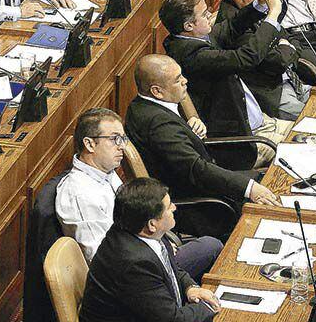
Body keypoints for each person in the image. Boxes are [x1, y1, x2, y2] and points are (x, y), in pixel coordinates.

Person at [55, 108, 222, 281]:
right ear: (90, 144)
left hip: (147, 252)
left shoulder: (106, 172)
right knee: (211, 247)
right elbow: (103, 259)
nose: (122, 146)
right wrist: (155, 251)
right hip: (133, 275)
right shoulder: (80, 194)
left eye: (123, 138)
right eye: (114, 139)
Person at [79, 177, 220, 322]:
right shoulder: (133, 263)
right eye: (169, 207)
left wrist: (190, 287)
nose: (175, 209)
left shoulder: (140, 231)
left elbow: (171, 270)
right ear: (152, 224)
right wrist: (210, 307)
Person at [160, 0, 293, 168]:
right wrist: (272, 15)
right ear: (188, 26)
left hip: (262, 122)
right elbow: (247, 57)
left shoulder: (194, 38)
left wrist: (258, 5)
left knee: (315, 132)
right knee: (307, 147)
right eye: (205, 14)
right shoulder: (192, 56)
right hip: (245, 141)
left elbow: (231, 26)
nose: (211, 15)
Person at [125, 54, 281, 207]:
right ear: (157, 91)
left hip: (207, 180)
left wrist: (190, 127)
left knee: (274, 179)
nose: (185, 81)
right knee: (276, 195)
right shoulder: (158, 124)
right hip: (204, 202)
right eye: (177, 80)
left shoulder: (140, 106)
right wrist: (250, 189)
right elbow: (196, 169)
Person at [218, 0, 312, 120]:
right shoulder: (232, 22)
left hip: (293, 81)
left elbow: (290, 40)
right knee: (313, 118)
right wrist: (286, 48)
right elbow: (275, 62)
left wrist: (286, 47)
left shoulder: (258, 8)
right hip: (271, 93)